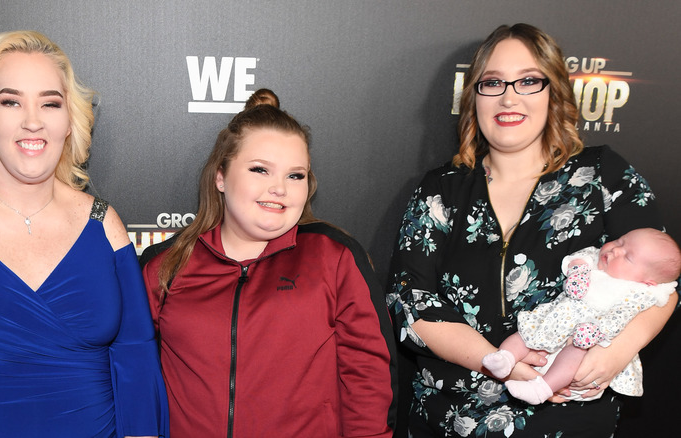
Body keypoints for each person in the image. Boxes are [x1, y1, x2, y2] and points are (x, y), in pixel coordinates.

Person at [386, 23, 677, 437]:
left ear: (553, 92)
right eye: (493, 82)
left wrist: (617, 353)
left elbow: (662, 286)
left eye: (528, 81)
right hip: (449, 417)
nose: (509, 97)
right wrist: (499, 364)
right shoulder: (442, 188)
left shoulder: (603, 174)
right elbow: (409, 299)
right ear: (474, 97)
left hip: (570, 418)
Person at [0, 31, 168, 437]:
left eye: (50, 102)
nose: (33, 120)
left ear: (68, 119)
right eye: (11, 101)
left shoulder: (103, 223)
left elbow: (135, 353)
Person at [140, 88, 397, 437]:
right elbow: (133, 375)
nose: (279, 188)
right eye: (260, 169)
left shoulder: (334, 257)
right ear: (220, 176)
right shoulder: (164, 265)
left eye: (295, 175)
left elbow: (368, 378)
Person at [483, 228, 681, 404]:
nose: (615, 250)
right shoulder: (596, 258)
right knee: (526, 333)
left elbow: (619, 317)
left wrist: (597, 331)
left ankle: (541, 388)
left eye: (628, 257)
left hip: (588, 335)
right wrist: (578, 269)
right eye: (620, 241)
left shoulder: (638, 293)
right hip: (558, 318)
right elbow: (581, 256)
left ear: (648, 282)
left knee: (575, 353)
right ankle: (504, 358)